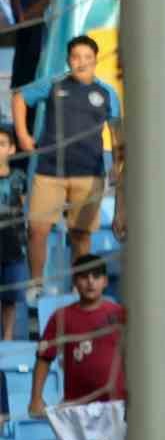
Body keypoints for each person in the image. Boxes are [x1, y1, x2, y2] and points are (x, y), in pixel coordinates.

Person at [13, 33, 124, 294]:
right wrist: (22, 135)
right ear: (68, 60)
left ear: (96, 60)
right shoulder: (54, 84)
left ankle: (79, 287)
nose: (82, 62)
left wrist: (117, 165)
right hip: (49, 171)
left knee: (81, 234)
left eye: (87, 57)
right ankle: (36, 284)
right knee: (38, 229)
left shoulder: (107, 93)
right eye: (76, 57)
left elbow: (117, 132)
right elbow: (20, 98)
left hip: (89, 173)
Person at [31, 255, 125, 413]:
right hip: (77, 410)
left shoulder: (120, 315)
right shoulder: (61, 317)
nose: (90, 282)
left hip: (118, 407)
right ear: (74, 281)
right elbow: (44, 358)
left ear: (105, 281)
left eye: (96, 276)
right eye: (84, 276)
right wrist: (36, 398)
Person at [0, 126, 25, 339]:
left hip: (13, 245)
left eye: (2, 144)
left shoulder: (20, 178)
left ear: (12, 149)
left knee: (9, 298)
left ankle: (7, 338)